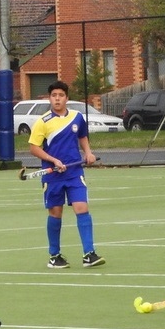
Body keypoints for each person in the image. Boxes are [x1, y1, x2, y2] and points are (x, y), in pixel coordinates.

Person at [28, 80, 105, 269]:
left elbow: (82, 137)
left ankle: (89, 253)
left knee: (82, 207)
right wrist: (53, 160)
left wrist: (88, 153)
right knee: (56, 213)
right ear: (49, 98)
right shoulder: (42, 122)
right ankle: (54, 256)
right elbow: (33, 147)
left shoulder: (77, 117)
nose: (57, 99)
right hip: (53, 175)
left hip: (74, 173)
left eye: (60, 95)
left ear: (66, 98)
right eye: (54, 95)